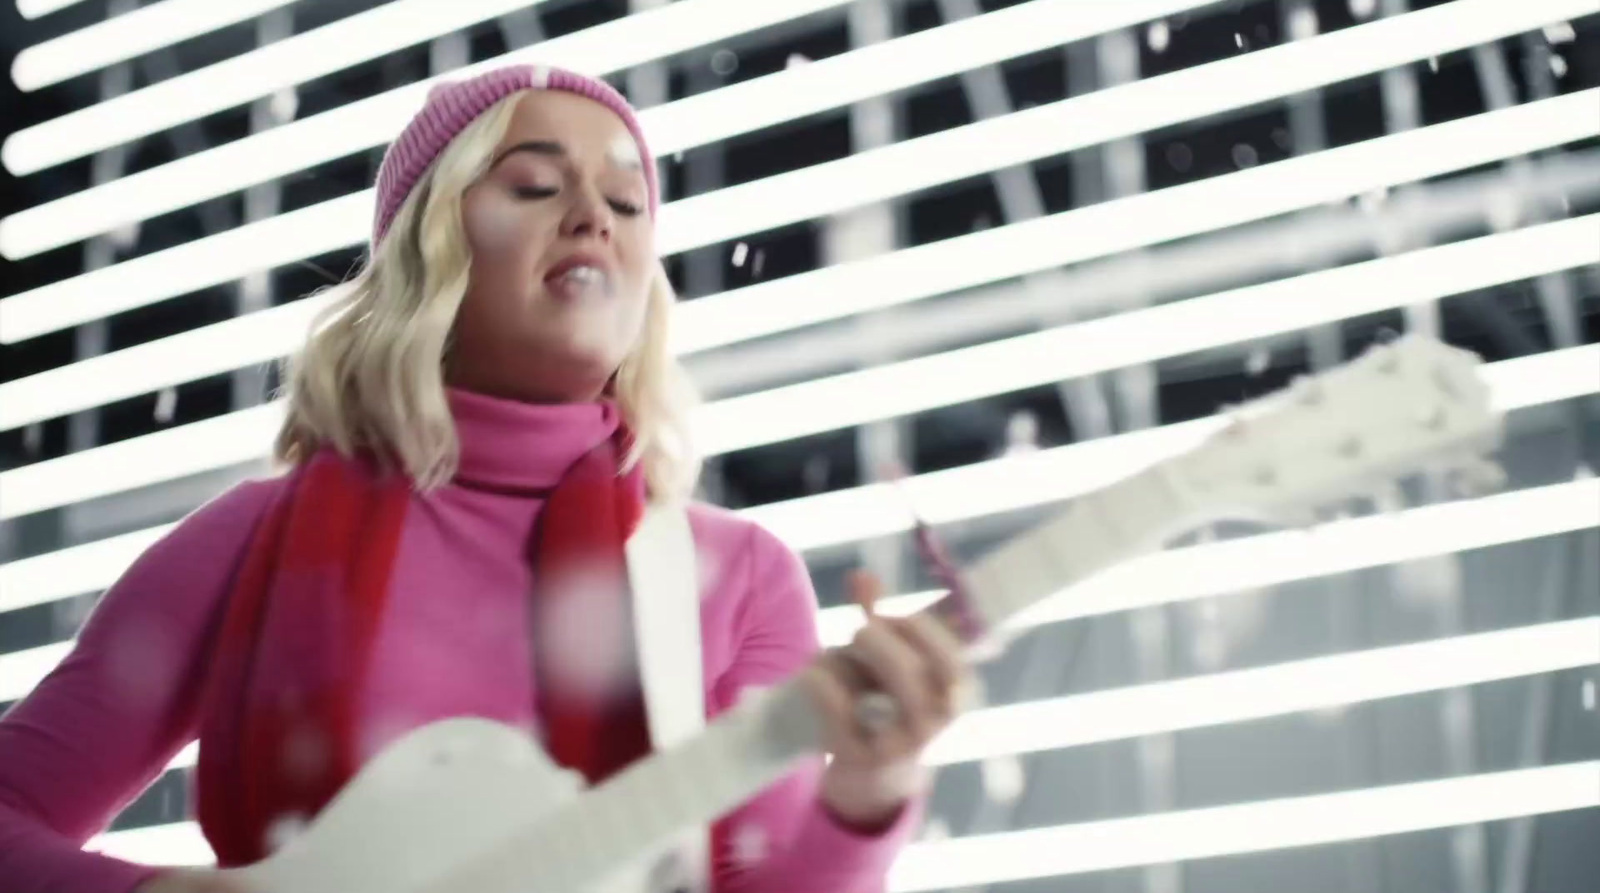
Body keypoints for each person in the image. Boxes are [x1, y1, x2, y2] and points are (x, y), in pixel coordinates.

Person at [0, 65, 969, 893]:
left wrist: (866, 796)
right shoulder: (248, 539)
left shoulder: (737, 571)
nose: (593, 216)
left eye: (627, 202)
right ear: (432, 250)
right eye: (536, 186)